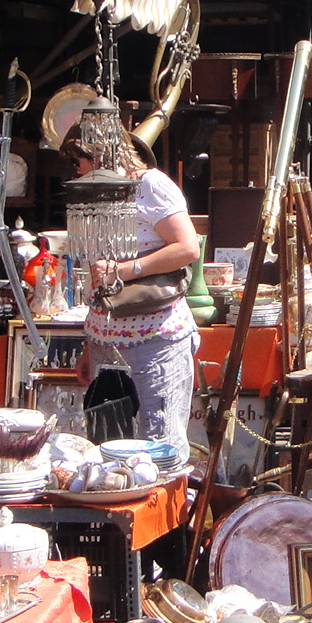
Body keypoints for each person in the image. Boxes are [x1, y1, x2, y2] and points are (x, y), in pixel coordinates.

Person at [62, 132, 200, 455]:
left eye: (77, 161)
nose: (76, 171)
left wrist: (124, 270)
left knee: (158, 444)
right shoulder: (96, 196)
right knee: (107, 446)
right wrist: (90, 341)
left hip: (155, 339)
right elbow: (97, 278)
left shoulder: (150, 185)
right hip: (106, 344)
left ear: (99, 156)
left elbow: (188, 247)